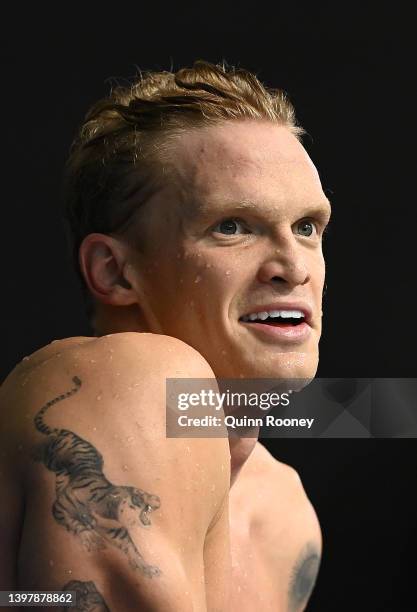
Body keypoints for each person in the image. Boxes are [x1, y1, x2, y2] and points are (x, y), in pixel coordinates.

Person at [0, 60, 330, 611]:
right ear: (114, 271)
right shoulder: (128, 378)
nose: (293, 267)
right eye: (232, 226)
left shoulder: (282, 516)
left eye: (306, 227)